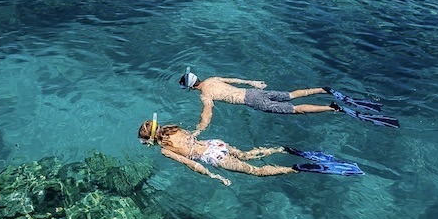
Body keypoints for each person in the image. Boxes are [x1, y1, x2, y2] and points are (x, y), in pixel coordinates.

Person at [137, 114, 363, 186]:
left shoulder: (165, 150)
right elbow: (194, 136)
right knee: (246, 154)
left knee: (256, 172)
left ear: (149, 140)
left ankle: (297, 168)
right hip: (216, 144)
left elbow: (192, 163)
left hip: (211, 156)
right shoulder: (173, 129)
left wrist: (214, 175)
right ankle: (283, 148)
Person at [178, 67, 399, 131]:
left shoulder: (206, 94)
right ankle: (323, 89)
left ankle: (332, 108)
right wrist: (254, 82)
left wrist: (199, 129)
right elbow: (235, 79)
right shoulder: (214, 79)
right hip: (256, 92)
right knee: (292, 94)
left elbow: (207, 113)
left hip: (254, 102)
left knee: (296, 109)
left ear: (191, 88)